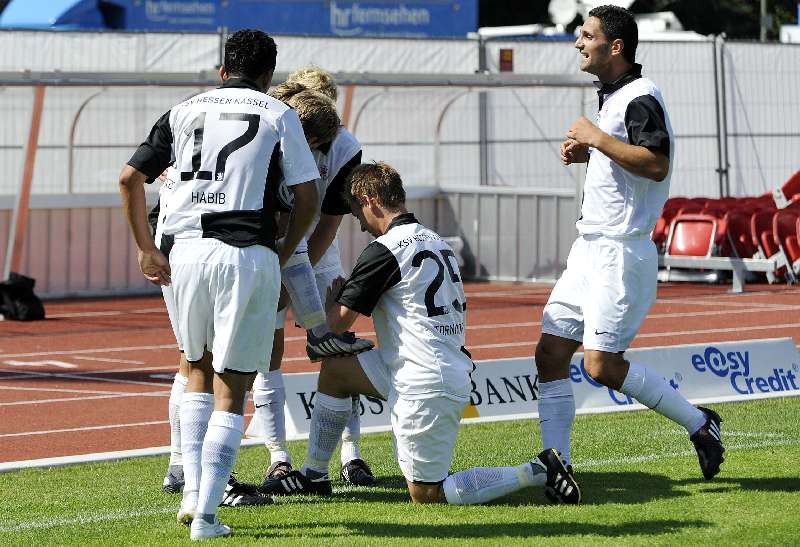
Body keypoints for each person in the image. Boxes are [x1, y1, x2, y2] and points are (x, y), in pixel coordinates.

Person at [260, 161, 581, 505]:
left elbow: (335, 324)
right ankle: (314, 475)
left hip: (424, 382)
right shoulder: (436, 240)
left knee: (427, 494)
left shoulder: (385, 249)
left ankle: (537, 470)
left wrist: (329, 302)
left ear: (369, 200)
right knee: (337, 371)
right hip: (429, 366)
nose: (361, 225)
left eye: (357, 214)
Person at [119, 29, 320, 540]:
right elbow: (308, 197)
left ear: (223, 70)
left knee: (194, 371)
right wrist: (283, 251)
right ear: (269, 75)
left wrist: (145, 248)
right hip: (245, 252)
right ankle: (206, 516)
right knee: (233, 386)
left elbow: (128, 179)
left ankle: (191, 492)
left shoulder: (182, 110)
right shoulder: (279, 113)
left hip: (184, 253)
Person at [535, 4, 724, 501]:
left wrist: (596, 138)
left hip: (620, 253)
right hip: (588, 249)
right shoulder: (613, 96)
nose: (578, 42)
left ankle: (698, 421)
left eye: (587, 35)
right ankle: (558, 467)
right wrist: (591, 150)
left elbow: (656, 163)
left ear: (615, 46)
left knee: (600, 365)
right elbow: (625, 160)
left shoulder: (640, 96)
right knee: (550, 352)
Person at [254, 68, 379, 488]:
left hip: (316, 249)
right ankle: (277, 456)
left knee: (335, 345)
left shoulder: (345, 146)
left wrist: (300, 271)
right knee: (267, 350)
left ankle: (352, 454)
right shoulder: (271, 131)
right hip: (270, 245)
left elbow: (328, 220)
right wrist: (278, 269)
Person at [152, 168, 273, 508]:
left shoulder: (189, 141)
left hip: (180, 245)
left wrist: (148, 246)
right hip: (210, 249)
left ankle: (181, 468)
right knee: (220, 371)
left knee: (192, 361)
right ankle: (208, 483)